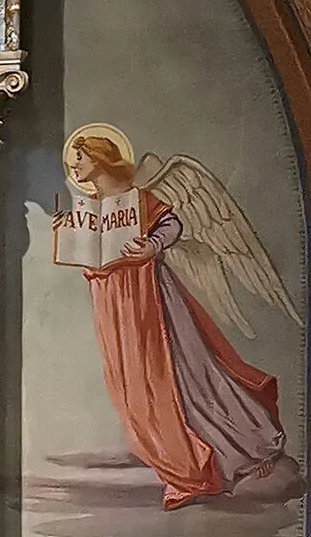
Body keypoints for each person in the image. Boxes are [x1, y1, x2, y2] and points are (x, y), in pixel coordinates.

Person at [61, 122, 291, 509]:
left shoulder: (138, 199)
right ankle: (177, 465)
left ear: (98, 158)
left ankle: (224, 456)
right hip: (113, 303)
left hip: (149, 296)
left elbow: (172, 225)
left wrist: (151, 247)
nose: (75, 165)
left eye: (80, 157)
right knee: (130, 384)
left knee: (180, 374)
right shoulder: (90, 210)